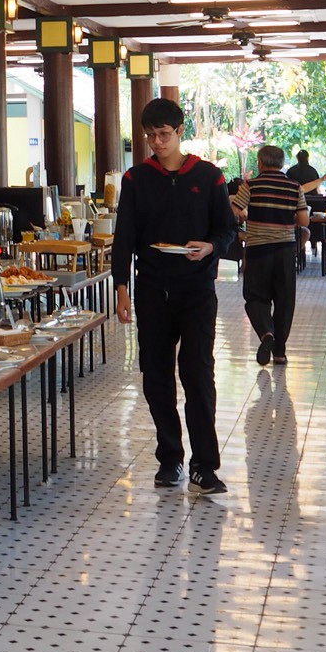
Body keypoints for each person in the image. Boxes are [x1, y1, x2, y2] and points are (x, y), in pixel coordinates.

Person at [113, 97, 236, 497]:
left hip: (197, 289)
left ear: (180, 131)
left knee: (198, 374)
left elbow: (227, 230)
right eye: (150, 136)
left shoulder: (209, 175)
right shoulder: (136, 179)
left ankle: (204, 464)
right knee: (156, 376)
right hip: (152, 289)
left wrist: (211, 247)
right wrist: (121, 288)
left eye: (163, 135)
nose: (156, 142)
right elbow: (124, 238)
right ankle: (170, 458)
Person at [241, 144, 308, 367]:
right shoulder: (294, 186)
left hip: (258, 249)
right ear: (281, 164)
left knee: (255, 297)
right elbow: (304, 221)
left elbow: (232, 213)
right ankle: (279, 352)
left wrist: (244, 216)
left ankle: (266, 333)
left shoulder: (250, 185)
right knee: (284, 300)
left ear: (260, 162)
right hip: (285, 251)